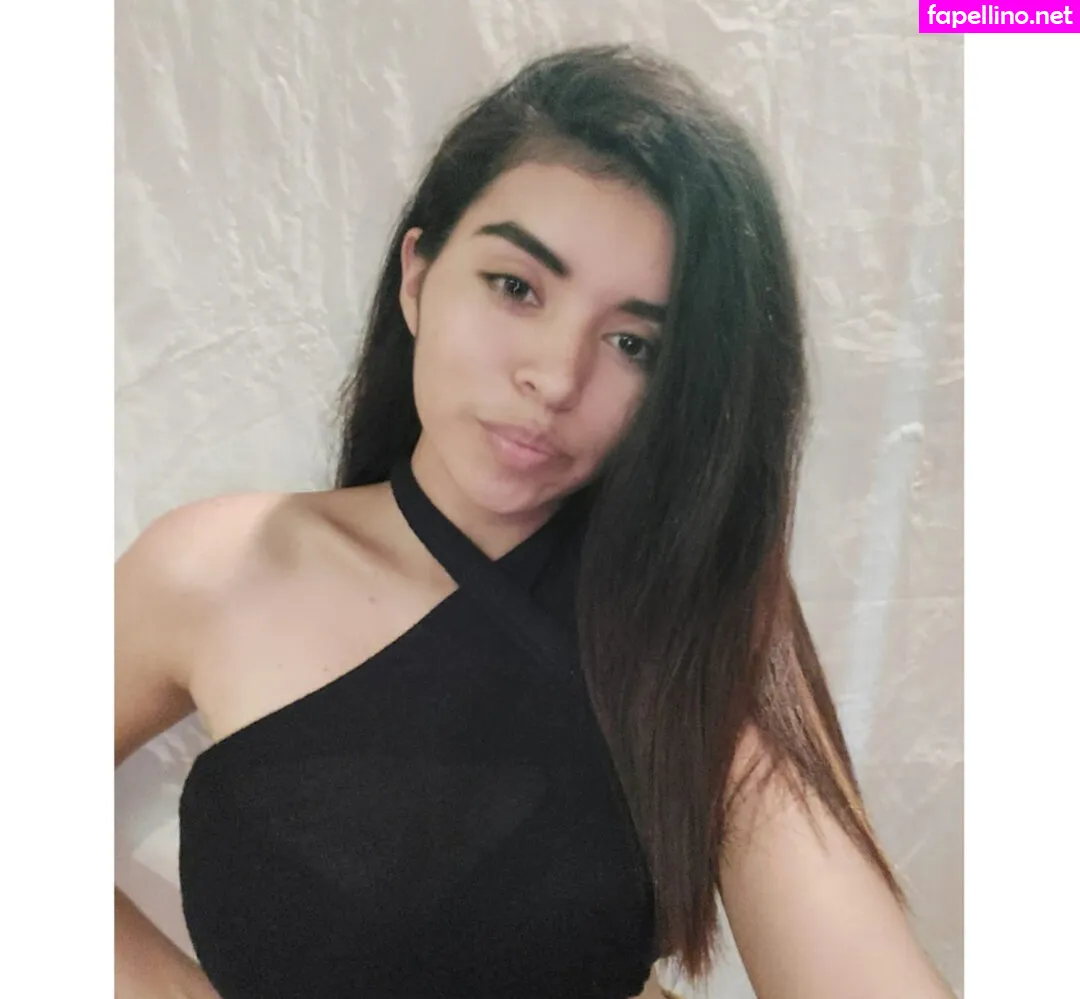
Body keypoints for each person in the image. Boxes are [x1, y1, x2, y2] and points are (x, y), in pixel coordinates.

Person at [115, 44, 954, 999]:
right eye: (516, 287)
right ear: (418, 275)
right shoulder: (211, 569)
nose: (556, 378)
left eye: (633, 343)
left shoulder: (696, 617)